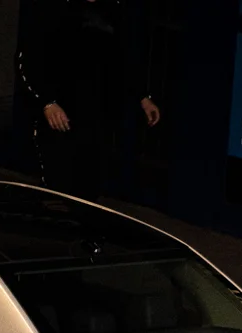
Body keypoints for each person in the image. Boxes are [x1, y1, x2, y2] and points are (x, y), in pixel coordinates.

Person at [18, 0, 160, 201]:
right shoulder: (56, 11)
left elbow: (121, 61)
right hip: (61, 111)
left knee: (89, 186)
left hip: (97, 114)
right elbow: (29, 59)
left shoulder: (112, 13)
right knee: (57, 182)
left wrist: (143, 97)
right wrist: (47, 101)